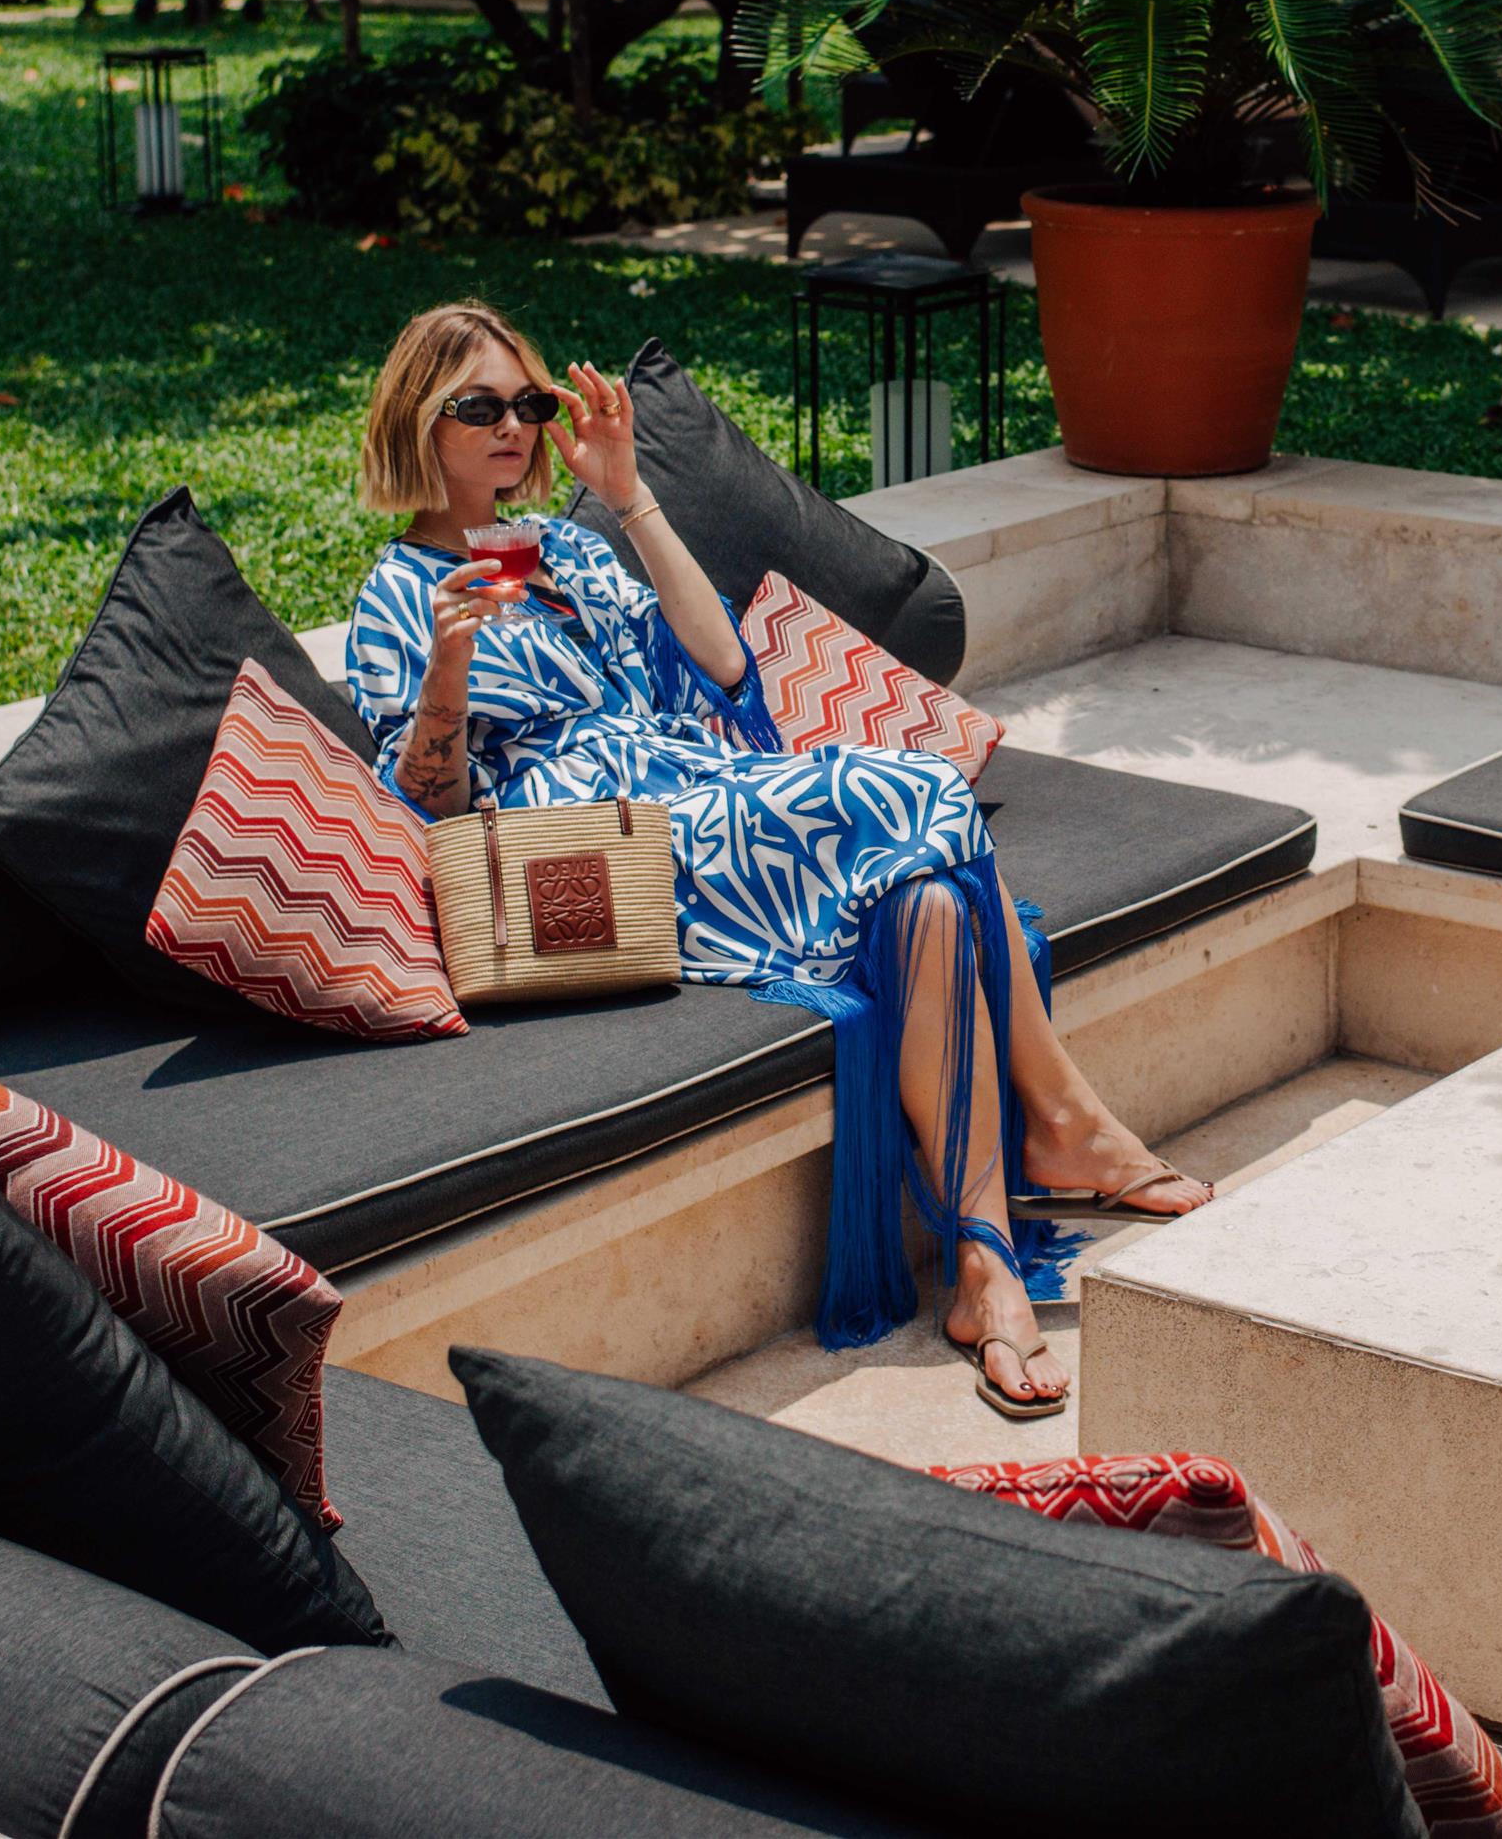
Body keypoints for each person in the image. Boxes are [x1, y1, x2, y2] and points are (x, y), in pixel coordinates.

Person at [340, 302, 1209, 1417]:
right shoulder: (395, 597)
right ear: (419, 422)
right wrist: (448, 670)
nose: (512, 427)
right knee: (919, 787)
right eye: (479, 407)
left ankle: (985, 1271)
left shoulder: (564, 551)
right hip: (601, 853)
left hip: (695, 788)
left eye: (530, 403)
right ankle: (1063, 1117)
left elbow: (723, 665)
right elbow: (432, 810)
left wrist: (628, 498)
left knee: (932, 902)